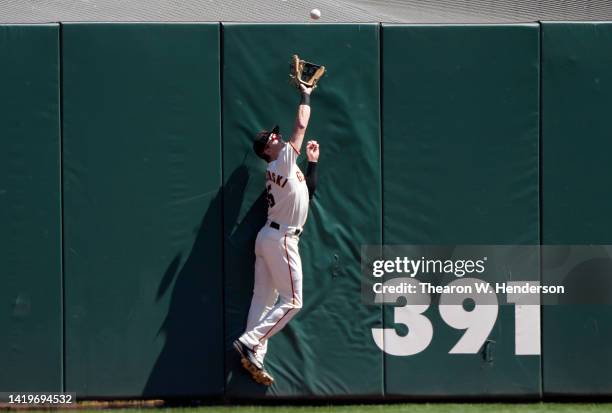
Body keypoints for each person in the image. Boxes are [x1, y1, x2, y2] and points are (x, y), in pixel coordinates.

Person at [233, 84, 319, 386]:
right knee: (293, 301)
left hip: (268, 238)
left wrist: (313, 163)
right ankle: (250, 341)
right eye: (272, 137)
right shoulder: (280, 160)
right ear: (266, 149)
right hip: (282, 239)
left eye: (275, 134)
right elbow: (300, 125)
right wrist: (306, 93)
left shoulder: (286, 165)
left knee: (263, 302)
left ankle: (255, 354)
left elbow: (308, 192)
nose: (278, 137)